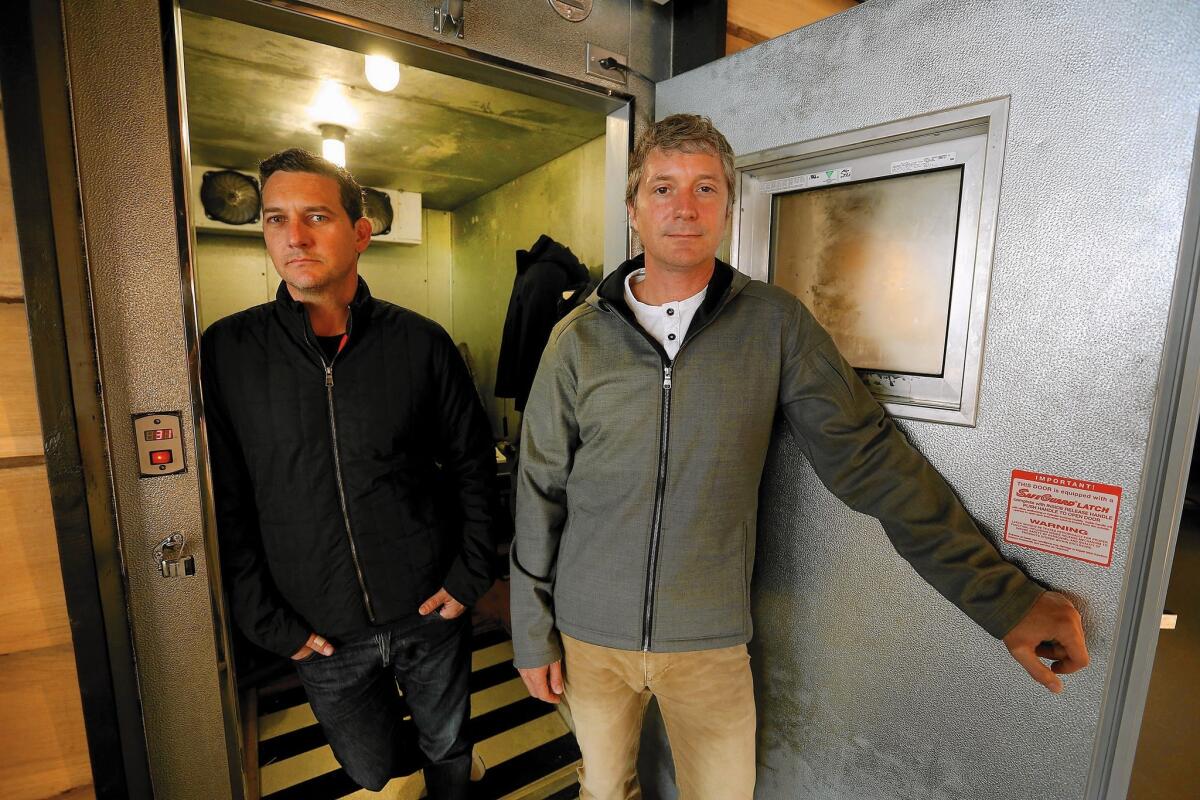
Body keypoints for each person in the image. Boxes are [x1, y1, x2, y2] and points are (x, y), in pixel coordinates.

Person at [509, 115, 1089, 800]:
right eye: (662, 188)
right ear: (633, 208)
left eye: (705, 188)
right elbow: (539, 488)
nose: (684, 208)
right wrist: (531, 630)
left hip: (709, 644)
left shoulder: (775, 325)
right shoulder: (576, 340)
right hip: (589, 637)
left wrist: (1006, 600)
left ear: (729, 205)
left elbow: (872, 460)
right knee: (605, 790)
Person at [201, 148, 496, 798]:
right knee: (371, 768)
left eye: (316, 216)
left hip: (429, 609)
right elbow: (225, 498)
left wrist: (470, 573)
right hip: (320, 629)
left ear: (361, 232)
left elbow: (476, 464)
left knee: (448, 747)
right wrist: (267, 620)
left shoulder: (421, 343)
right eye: (276, 219)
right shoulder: (228, 352)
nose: (294, 236)